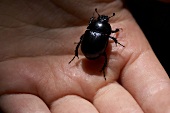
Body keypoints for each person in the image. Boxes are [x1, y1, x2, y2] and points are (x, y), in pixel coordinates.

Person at [0, 0, 170, 113]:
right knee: (103, 54)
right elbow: (111, 37)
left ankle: (81, 59)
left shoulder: (93, 28)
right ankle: (97, 66)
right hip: (94, 52)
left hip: (88, 50)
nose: (103, 20)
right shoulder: (105, 32)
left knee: (100, 51)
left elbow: (95, 36)